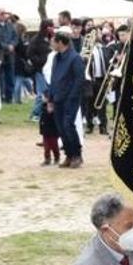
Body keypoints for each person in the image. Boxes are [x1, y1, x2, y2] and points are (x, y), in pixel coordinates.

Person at [45, 28, 85, 169]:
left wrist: (72, 96)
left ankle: (77, 155)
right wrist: (50, 99)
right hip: (57, 98)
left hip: (70, 98)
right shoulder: (56, 57)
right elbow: (54, 78)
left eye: (53, 42)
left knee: (68, 126)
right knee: (61, 128)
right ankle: (68, 155)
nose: (51, 44)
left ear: (61, 43)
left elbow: (79, 79)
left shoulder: (75, 58)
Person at [27, 20, 54, 121]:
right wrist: (40, 61)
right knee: (42, 92)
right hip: (40, 69)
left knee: (47, 92)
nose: (51, 28)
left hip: (49, 69)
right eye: (49, 27)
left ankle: (43, 112)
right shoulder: (36, 40)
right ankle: (35, 113)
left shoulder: (51, 39)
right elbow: (30, 54)